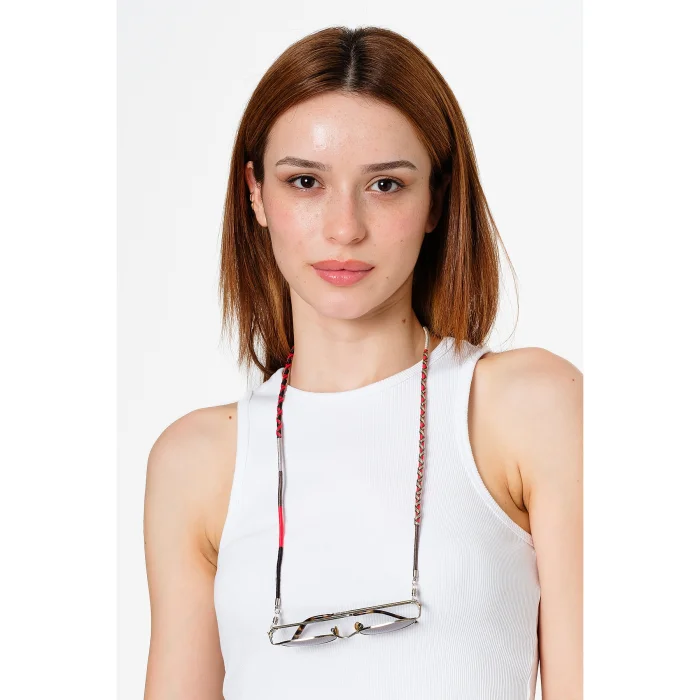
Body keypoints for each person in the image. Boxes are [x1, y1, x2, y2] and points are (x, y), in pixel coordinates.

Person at [143, 26, 582, 700]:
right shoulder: (197, 461)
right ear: (256, 194)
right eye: (305, 182)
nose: (344, 227)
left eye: (384, 184)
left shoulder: (528, 407)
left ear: (436, 198)